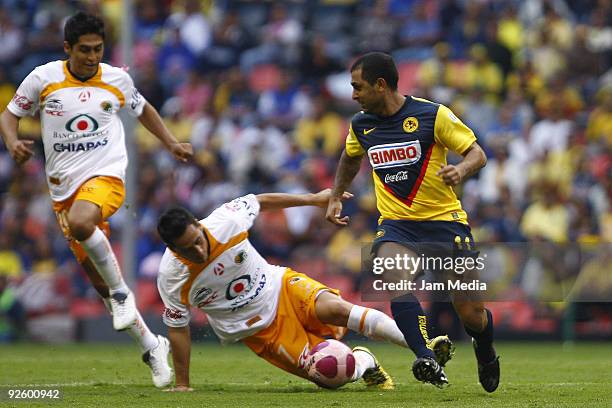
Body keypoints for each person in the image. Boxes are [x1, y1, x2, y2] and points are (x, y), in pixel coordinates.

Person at [0, 12, 193, 387]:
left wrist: (171, 142)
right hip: (63, 192)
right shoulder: (42, 78)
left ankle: (124, 293)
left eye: (98, 49)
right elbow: (9, 115)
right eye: (84, 50)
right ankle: (153, 346)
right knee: (100, 285)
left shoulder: (117, 79)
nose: (92, 56)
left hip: (106, 177)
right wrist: (12, 142)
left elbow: (143, 109)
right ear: (68, 49)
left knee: (86, 230)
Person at [155, 189, 453, 391]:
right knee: (330, 374)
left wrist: (314, 199)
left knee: (337, 309)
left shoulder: (225, 221)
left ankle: (422, 349)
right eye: (188, 248)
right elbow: (178, 328)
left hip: (279, 286)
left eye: (198, 238)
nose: (199, 249)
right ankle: (365, 361)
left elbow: (260, 201)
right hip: (261, 330)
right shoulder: (172, 276)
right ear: (172, 249)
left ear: (198, 224)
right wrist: (183, 383)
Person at [325, 52, 499, 392]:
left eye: (357, 87)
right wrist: (335, 195)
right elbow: (350, 157)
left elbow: (477, 153)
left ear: (380, 84)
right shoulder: (361, 124)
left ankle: (485, 347)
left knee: (472, 314)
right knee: (393, 276)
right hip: (397, 225)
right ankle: (424, 356)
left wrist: (460, 170)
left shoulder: (432, 115)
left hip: (445, 223)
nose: (353, 95)